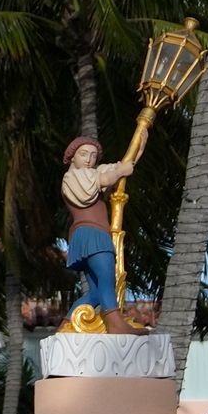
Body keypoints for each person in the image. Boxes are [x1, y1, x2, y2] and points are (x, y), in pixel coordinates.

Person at [56, 135, 133, 322]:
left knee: (97, 293)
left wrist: (143, 134)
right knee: (107, 279)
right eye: (83, 154)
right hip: (91, 234)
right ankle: (115, 324)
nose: (89, 160)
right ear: (72, 157)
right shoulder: (72, 177)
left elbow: (125, 165)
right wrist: (119, 171)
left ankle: (66, 325)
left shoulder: (94, 173)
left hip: (97, 234)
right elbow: (97, 185)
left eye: (93, 155)